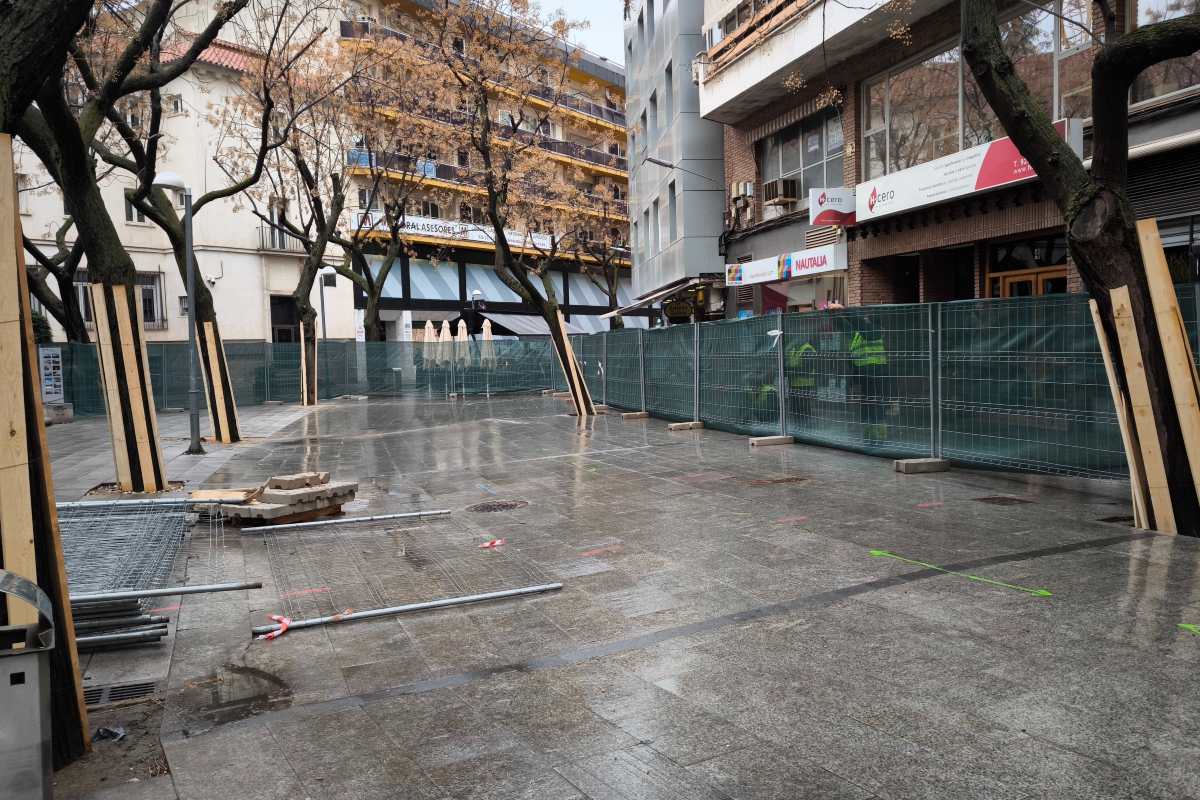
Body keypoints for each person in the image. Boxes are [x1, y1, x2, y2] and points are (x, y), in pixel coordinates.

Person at [848, 315, 888, 446]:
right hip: (864, 376)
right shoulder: (859, 334)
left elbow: (858, 323)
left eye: (866, 320)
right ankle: (868, 438)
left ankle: (880, 438)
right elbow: (854, 357)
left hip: (877, 375)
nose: (864, 321)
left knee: (876, 407)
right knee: (866, 407)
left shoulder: (874, 331)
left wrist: (844, 311)